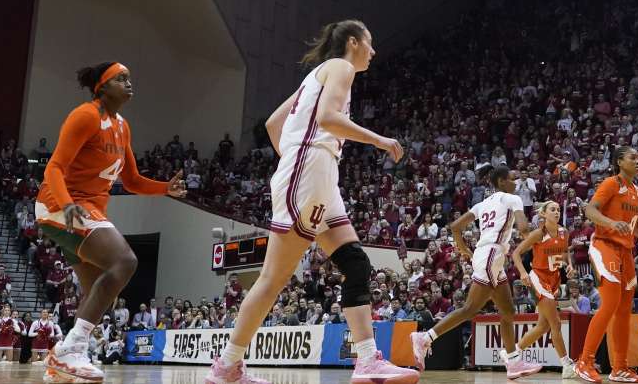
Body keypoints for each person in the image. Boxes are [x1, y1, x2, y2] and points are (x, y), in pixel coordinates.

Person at [207, 20, 418, 384]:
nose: (373, 51)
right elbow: (327, 119)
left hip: (316, 172)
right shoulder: (341, 67)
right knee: (273, 278)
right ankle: (227, 365)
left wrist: (293, 156)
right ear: (353, 42)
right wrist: (379, 140)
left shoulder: (314, 77)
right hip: (310, 171)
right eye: (370, 43)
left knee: (355, 263)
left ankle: (367, 360)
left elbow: (274, 124)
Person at [35, 61, 187, 382]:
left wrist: (165, 189)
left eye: (130, 78)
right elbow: (54, 168)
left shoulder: (122, 126)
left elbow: (131, 181)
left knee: (95, 291)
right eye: (121, 79)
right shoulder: (85, 115)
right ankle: (73, 349)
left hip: (86, 209)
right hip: (61, 205)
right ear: (102, 87)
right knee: (125, 261)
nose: (129, 83)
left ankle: (65, 357)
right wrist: (66, 205)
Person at [412, 165, 541, 380]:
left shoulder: (483, 203)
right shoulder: (513, 199)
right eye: (512, 179)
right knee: (470, 309)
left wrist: (464, 249)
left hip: (490, 256)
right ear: (501, 182)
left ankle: (514, 361)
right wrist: (540, 231)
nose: (515, 182)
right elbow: (524, 228)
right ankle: (425, 337)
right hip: (491, 255)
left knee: (508, 311)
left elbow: (454, 227)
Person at [572, 146, 638, 384]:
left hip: (626, 252)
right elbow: (590, 210)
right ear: (619, 162)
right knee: (610, 304)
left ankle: (620, 368)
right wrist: (610, 222)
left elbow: (635, 226)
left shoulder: (637, 190)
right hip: (605, 245)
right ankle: (584, 361)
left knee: (624, 311)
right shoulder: (611, 183)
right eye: (632, 158)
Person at [511, 200, 576, 379]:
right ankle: (566, 364)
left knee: (543, 326)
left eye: (557, 209)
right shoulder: (538, 234)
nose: (556, 212)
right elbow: (515, 253)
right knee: (555, 322)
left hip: (554, 279)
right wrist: (523, 273)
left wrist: (568, 265)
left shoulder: (565, 233)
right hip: (538, 278)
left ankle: (513, 353)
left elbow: (564, 253)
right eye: (552, 210)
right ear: (544, 214)